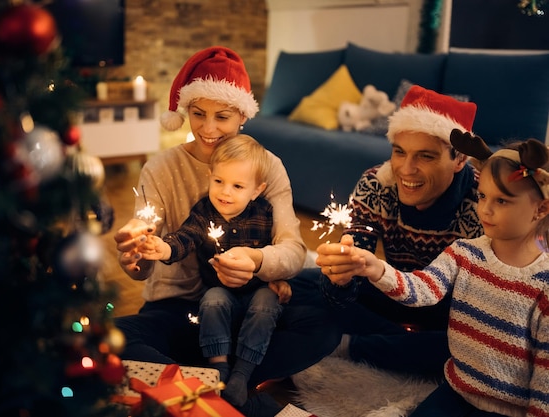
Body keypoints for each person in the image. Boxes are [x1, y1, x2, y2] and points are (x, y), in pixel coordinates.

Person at [113, 46, 341, 412]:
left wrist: (257, 260)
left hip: (252, 302)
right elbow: (145, 264)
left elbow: (293, 251)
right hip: (183, 309)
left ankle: (210, 380)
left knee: (324, 320)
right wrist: (134, 256)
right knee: (116, 337)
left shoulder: (267, 166)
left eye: (222, 116)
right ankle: (229, 381)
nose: (208, 128)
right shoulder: (159, 169)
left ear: (242, 116)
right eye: (198, 114)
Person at [330, 133, 549, 416]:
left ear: (541, 209)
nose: (485, 209)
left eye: (502, 201)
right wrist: (377, 268)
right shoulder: (465, 252)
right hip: (456, 391)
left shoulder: (543, 284)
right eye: (482, 196)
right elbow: (423, 288)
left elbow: (545, 376)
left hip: (509, 410)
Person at [316, 85, 485, 377]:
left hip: (449, 314)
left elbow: (479, 312)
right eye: (399, 152)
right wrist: (340, 277)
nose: (406, 169)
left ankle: (359, 346)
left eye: (426, 156)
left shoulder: (483, 202)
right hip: (391, 290)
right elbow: (353, 278)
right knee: (304, 285)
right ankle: (397, 343)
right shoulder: (375, 184)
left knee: (471, 349)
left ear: (459, 160)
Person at [137, 134, 290, 407]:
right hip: (219, 291)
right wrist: (165, 249)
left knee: (269, 303)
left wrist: (278, 277)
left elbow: (277, 249)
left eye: (238, 186)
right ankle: (219, 370)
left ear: (256, 190)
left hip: (258, 290)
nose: (225, 192)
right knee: (212, 300)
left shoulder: (264, 213)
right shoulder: (204, 211)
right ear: (210, 176)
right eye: (218, 181)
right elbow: (187, 236)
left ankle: (242, 374)